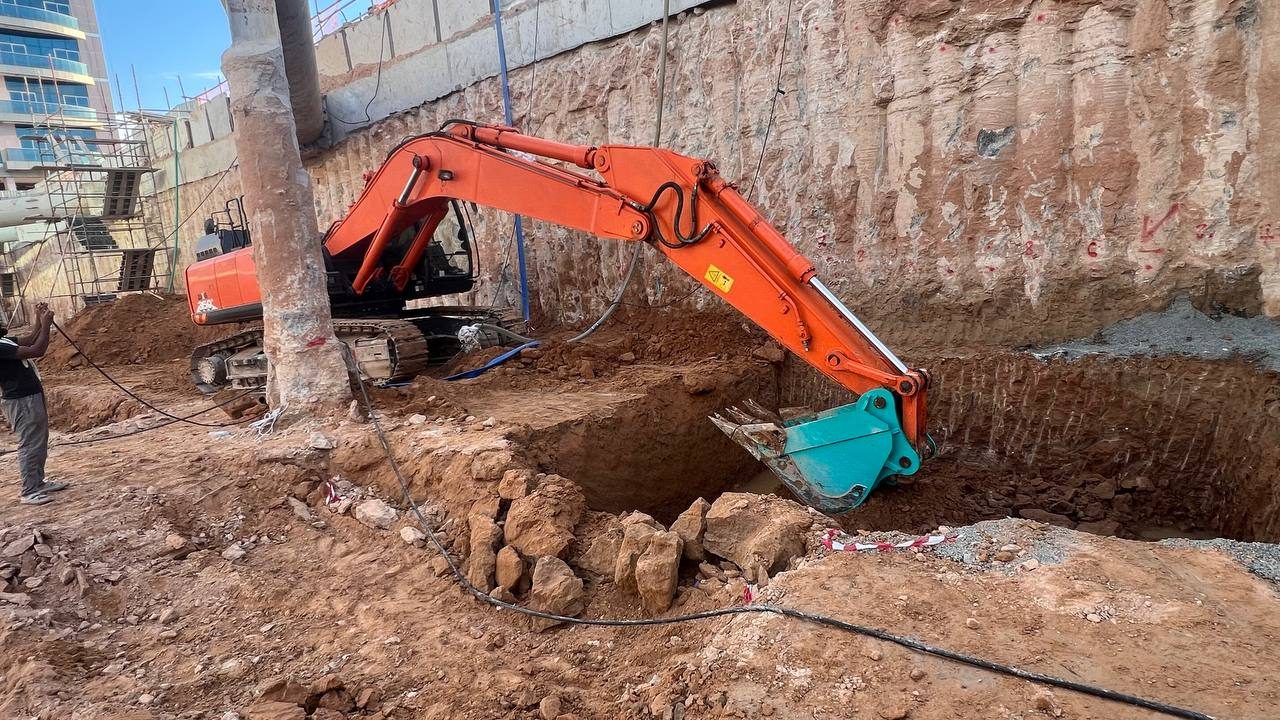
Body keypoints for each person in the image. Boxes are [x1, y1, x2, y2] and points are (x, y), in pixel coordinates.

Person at [0, 303, 66, 505]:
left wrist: (39, 318)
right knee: (29, 443)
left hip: (29, 396)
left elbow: (29, 339)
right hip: (21, 399)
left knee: (39, 440)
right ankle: (29, 490)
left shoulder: (3, 341)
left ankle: (38, 483)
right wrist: (46, 325)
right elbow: (37, 349)